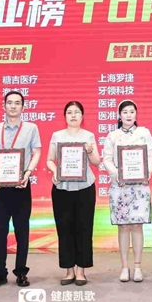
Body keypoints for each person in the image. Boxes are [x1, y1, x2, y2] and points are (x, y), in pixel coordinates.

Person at [0, 90, 42, 288]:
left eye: (17, 103)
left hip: (21, 185)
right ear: (4, 106)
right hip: (0, 188)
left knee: (22, 231)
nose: (13, 106)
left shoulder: (31, 128)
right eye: (10, 102)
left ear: (23, 107)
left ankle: (21, 272)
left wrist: (28, 173)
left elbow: (36, 153)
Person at [46, 101, 100, 286]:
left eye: (77, 112)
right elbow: (50, 160)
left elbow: (96, 162)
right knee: (64, 229)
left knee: (84, 229)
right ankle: (69, 270)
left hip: (85, 188)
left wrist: (90, 151)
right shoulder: (57, 136)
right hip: (62, 188)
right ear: (65, 116)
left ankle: (81, 271)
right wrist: (55, 171)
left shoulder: (88, 136)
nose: (73, 115)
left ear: (82, 116)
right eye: (69, 112)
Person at [103, 99, 152, 282]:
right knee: (123, 227)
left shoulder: (144, 133)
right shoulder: (113, 135)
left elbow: (149, 156)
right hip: (120, 187)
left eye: (132, 111)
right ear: (119, 115)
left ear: (136, 114)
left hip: (139, 187)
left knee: (137, 226)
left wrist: (145, 174)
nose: (129, 115)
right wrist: (118, 174)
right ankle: (124, 267)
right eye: (125, 112)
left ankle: (138, 267)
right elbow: (107, 159)